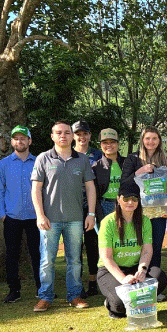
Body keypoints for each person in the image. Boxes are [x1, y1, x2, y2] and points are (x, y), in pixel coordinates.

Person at [31, 121, 96, 311]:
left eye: (67, 133)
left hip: (75, 219)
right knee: (47, 261)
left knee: (74, 260)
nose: (63, 136)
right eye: (59, 133)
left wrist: (91, 214)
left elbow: (90, 188)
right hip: (49, 220)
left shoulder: (82, 159)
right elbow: (36, 189)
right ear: (52, 136)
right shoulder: (43, 158)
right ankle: (45, 296)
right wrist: (40, 215)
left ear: (72, 136)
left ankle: (74, 296)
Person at [96, 181, 167, 318]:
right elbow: (106, 257)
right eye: (126, 198)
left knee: (160, 277)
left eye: (134, 199)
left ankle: (137, 299)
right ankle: (112, 302)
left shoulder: (144, 221)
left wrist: (142, 270)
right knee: (119, 306)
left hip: (134, 268)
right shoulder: (108, 222)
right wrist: (123, 279)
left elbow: (147, 250)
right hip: (112, 271)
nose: (130, 202)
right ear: (118, 199)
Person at [0, 125, 40, 304]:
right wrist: (2, 214)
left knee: (38, 254)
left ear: (29, 141)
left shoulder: (39, 162)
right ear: (12, 142)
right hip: (12, 217)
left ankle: (42, 288)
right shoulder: (3, 164)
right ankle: (14, 290)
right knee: (11, 255)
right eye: (16, 138)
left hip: (35, 217)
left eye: (23, 138)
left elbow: (45, 190)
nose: (19, 141)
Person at [120, 126, 167, 270]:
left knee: (156, 245)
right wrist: (140, 171)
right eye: (148, 138)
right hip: (138, 210)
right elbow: (124, 184)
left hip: (159, 211)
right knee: (138, 244)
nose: (151, 142)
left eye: (154, 138)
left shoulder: (166, 161)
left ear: (159, 140)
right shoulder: (132, 159)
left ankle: (154, 277)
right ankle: (136, 276)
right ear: (142, 140)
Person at [90, 128, 125, 296]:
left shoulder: (127, 163)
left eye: (112, 142)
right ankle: (108, 280)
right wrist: (97, 215)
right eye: (105, 143)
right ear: (100, 145)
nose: (109, 145)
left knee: (124, 242)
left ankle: (126, 277)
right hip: (105, 206)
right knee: (107, 245)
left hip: (125, 206)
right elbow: (94, 194)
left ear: (118, 144)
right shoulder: (96, 166)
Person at [73, 120, 102, 297]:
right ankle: (76, 283)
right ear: (73, 136)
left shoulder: (98, 155)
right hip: (73, 206)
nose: (82, 137)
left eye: (85, 133)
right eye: (78, 134)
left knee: (93, 244)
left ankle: (93, 281)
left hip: (93, 206)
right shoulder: (68, 154)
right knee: (75, 246)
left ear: (90, 135)